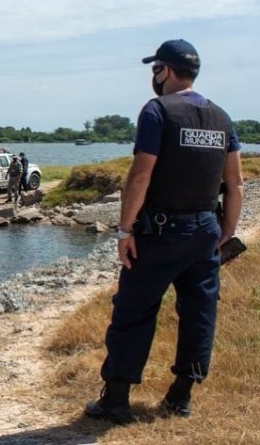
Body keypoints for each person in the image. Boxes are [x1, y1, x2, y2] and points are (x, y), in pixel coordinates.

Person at [85, 39, 244, 424]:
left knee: (134, 311)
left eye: (155, 69)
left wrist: (125, 231)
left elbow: (142, 173)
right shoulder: (222, 118)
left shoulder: (157, 111)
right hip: (205, 230)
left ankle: (117, 401)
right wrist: (226, 232)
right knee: (199, 313)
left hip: (159, 232)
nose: (154, 77)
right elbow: (235, 184)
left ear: (166, 71)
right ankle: (180, 397)